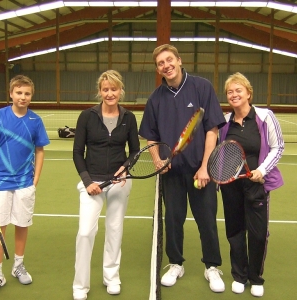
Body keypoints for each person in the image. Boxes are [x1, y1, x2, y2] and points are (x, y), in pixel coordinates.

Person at [139, 44, 227, 293]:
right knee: (173, 221)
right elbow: (151, 137)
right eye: (160, 63)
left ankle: (212, 266)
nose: (166, 65)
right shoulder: (155, 99)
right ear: (158, 69)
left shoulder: (202, 87)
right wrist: (157, 160)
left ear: (179, 60)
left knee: (207, 221)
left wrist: (206, 167)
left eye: (169, 60)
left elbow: (212, 130)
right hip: (172, 174)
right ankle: (175, 263)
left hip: (201, 173)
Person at [0, 75, 50, 297]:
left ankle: (18, 265)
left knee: (22, 223)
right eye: (19, 93)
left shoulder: (35, 121)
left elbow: (40, 150)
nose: (23, 97)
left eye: (27, 93)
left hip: (24, 183)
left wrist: (35, 179)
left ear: (31, 95)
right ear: (11, 93)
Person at [72, 70, 140, 300]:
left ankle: (111, 277)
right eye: (105, 89)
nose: (110, 93)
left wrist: (125, 169)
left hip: (119, 183)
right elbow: (77, 152)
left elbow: (134, 151)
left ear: (121, 91)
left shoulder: (128, 118)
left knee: (114, 230)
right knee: (85, 233)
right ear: (99, 91)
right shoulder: (87, 116)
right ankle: (80, 285)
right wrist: (88, 181)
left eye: (114, 89)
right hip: (93, 181)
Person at [219, 72, 284, 297]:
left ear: (248, 93)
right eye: (230, 91)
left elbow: (278, 147)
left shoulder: (265, 117)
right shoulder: (225, 122)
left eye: (238, 90)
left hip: (257, 185)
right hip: (231, 185)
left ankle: (256, 278)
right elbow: (220, 151)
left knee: (257, 234)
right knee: (235, 231)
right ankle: (239, 275)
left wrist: (261, 170)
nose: (234, 94)